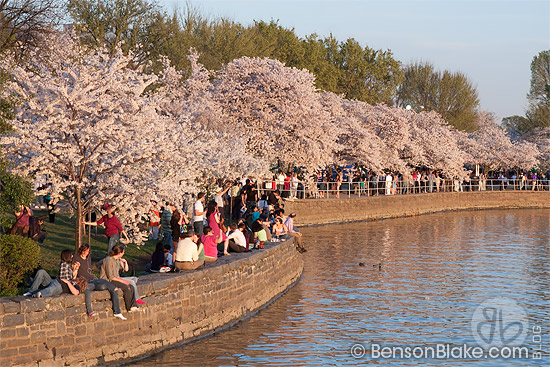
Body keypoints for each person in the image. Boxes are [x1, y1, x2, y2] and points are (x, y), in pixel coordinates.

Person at [73, 244, 126, 320]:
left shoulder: (88, 258)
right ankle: (90, 311)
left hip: (93, 279)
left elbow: (90, 270)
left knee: (105, 284)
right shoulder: (77, 258)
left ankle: (117, 311)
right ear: (82, 250)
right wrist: (76, 268)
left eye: (88, 252)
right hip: (86, 281)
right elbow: (74, 273)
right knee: (88, 289)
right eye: (85, 251)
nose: (86, 253)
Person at [100, 244, 139, 312]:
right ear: (119, 253)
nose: (124, 253)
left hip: (115, 278)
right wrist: (123, 282)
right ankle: (129, 307)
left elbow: (117, 274)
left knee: (131, 286)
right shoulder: (108, 260)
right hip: (108, 280)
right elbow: (111, 276)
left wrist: (121, 280)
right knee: (126, 287)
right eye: (123, 252)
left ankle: (134, 305)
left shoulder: (117, 260)